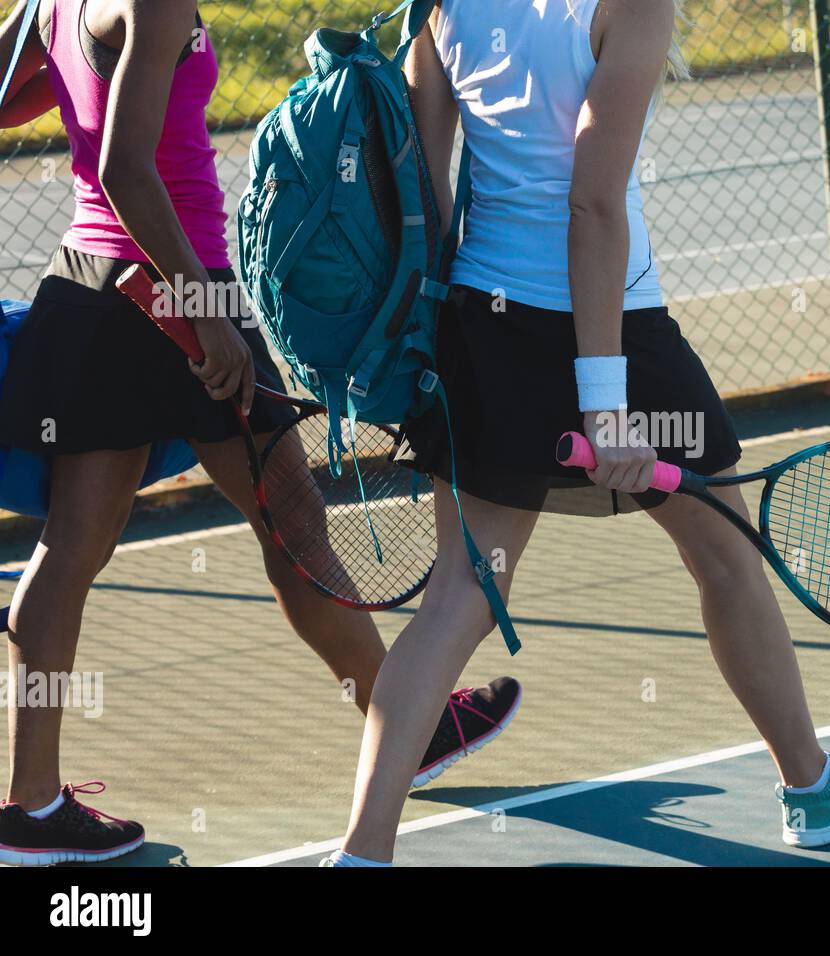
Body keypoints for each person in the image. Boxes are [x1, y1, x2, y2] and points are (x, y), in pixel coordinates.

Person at [324, 0, 830, 867]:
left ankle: (360, 854)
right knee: (725, 554)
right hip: (614, 328)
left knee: (458, 596)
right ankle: (813, 789)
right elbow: (594, 204)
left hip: (481, 326)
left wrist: (461, 333)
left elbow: (428, 186)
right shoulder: (631, 6)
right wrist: (605, 405)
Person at [0, 0, 520, 866]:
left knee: (70, 550)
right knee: (294, 522)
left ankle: (31, 806)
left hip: (93, 288)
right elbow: (132, 169)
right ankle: (410, 723)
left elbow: (30, 105)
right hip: (171, 290)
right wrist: (204, 318)